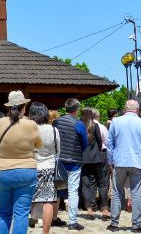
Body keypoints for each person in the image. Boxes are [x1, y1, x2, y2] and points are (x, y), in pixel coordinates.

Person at [0, 90, 42, 234]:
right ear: (24, 107)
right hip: (26, 170)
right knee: (21, 213)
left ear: (9, 107)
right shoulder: (31, 124)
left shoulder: (1, 122)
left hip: (2, 171)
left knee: (3, 212)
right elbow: (39, 144)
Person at [106, 99, 141, 232]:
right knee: (136, 194)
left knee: (116, 192)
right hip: (137, 162)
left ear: (125, 109)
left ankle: (114, 223)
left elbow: (109, 143)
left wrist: (111, 160)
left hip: (120, 161)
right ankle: (136, 225)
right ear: (137, 110)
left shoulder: (116, 121)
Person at [53, 98, 88, 230]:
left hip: (59, 161)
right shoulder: (79, 124)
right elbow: (85, 143)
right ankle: (72, 222)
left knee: (56, 190)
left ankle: (53, 218)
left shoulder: (56, 122)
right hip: (74, 161)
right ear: (77, 109)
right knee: (73, 191)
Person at [29, 102, 60, 234]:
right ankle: (45, 232)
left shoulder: (30, 130)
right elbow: (58, 150)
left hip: (33, 167)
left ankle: (32, 219)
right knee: (48, 201)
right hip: (50, 167)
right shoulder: (53, 130)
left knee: (30, 198)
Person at [80, 108, 109, 220]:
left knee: (86, 185)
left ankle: (89, 210)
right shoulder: (95, 125)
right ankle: (105, 209)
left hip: (84, 158)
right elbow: (100, 141)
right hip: (96, 157)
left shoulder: (79, 125)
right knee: (102, 183)